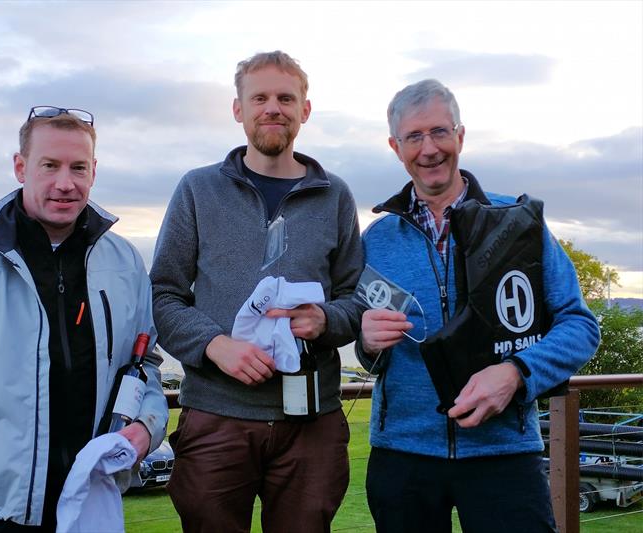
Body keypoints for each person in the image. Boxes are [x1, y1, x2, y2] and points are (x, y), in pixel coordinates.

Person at [0, 106, 168, 532]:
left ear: (93, 171)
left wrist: (149, 427)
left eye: (78, 167)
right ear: (21, 167)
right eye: (49, 165)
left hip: (91, 502)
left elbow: (144, 363)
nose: (65, 183)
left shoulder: (125, 262)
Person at [358, 79, 600, 532]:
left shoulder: (518, 223)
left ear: (461, 136)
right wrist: (367, 342)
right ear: (396, 147)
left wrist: (517, 373)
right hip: (402, 458)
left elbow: (580, 326)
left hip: (504, 456)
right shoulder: (376, 240)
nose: (429, 149)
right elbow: (364, 345)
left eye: (439, 132)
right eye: (414, 137)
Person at [150, 51, 363, 532]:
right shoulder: (198, 189)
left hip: (312, 421)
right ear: (238, 109)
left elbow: (357, 297)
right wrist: (213, 345)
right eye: (260, 97)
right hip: (216, 416)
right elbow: (162, 294)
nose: (273, 108)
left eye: (286, 98)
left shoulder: (335, 195)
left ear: (304, 110)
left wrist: (328, 320)